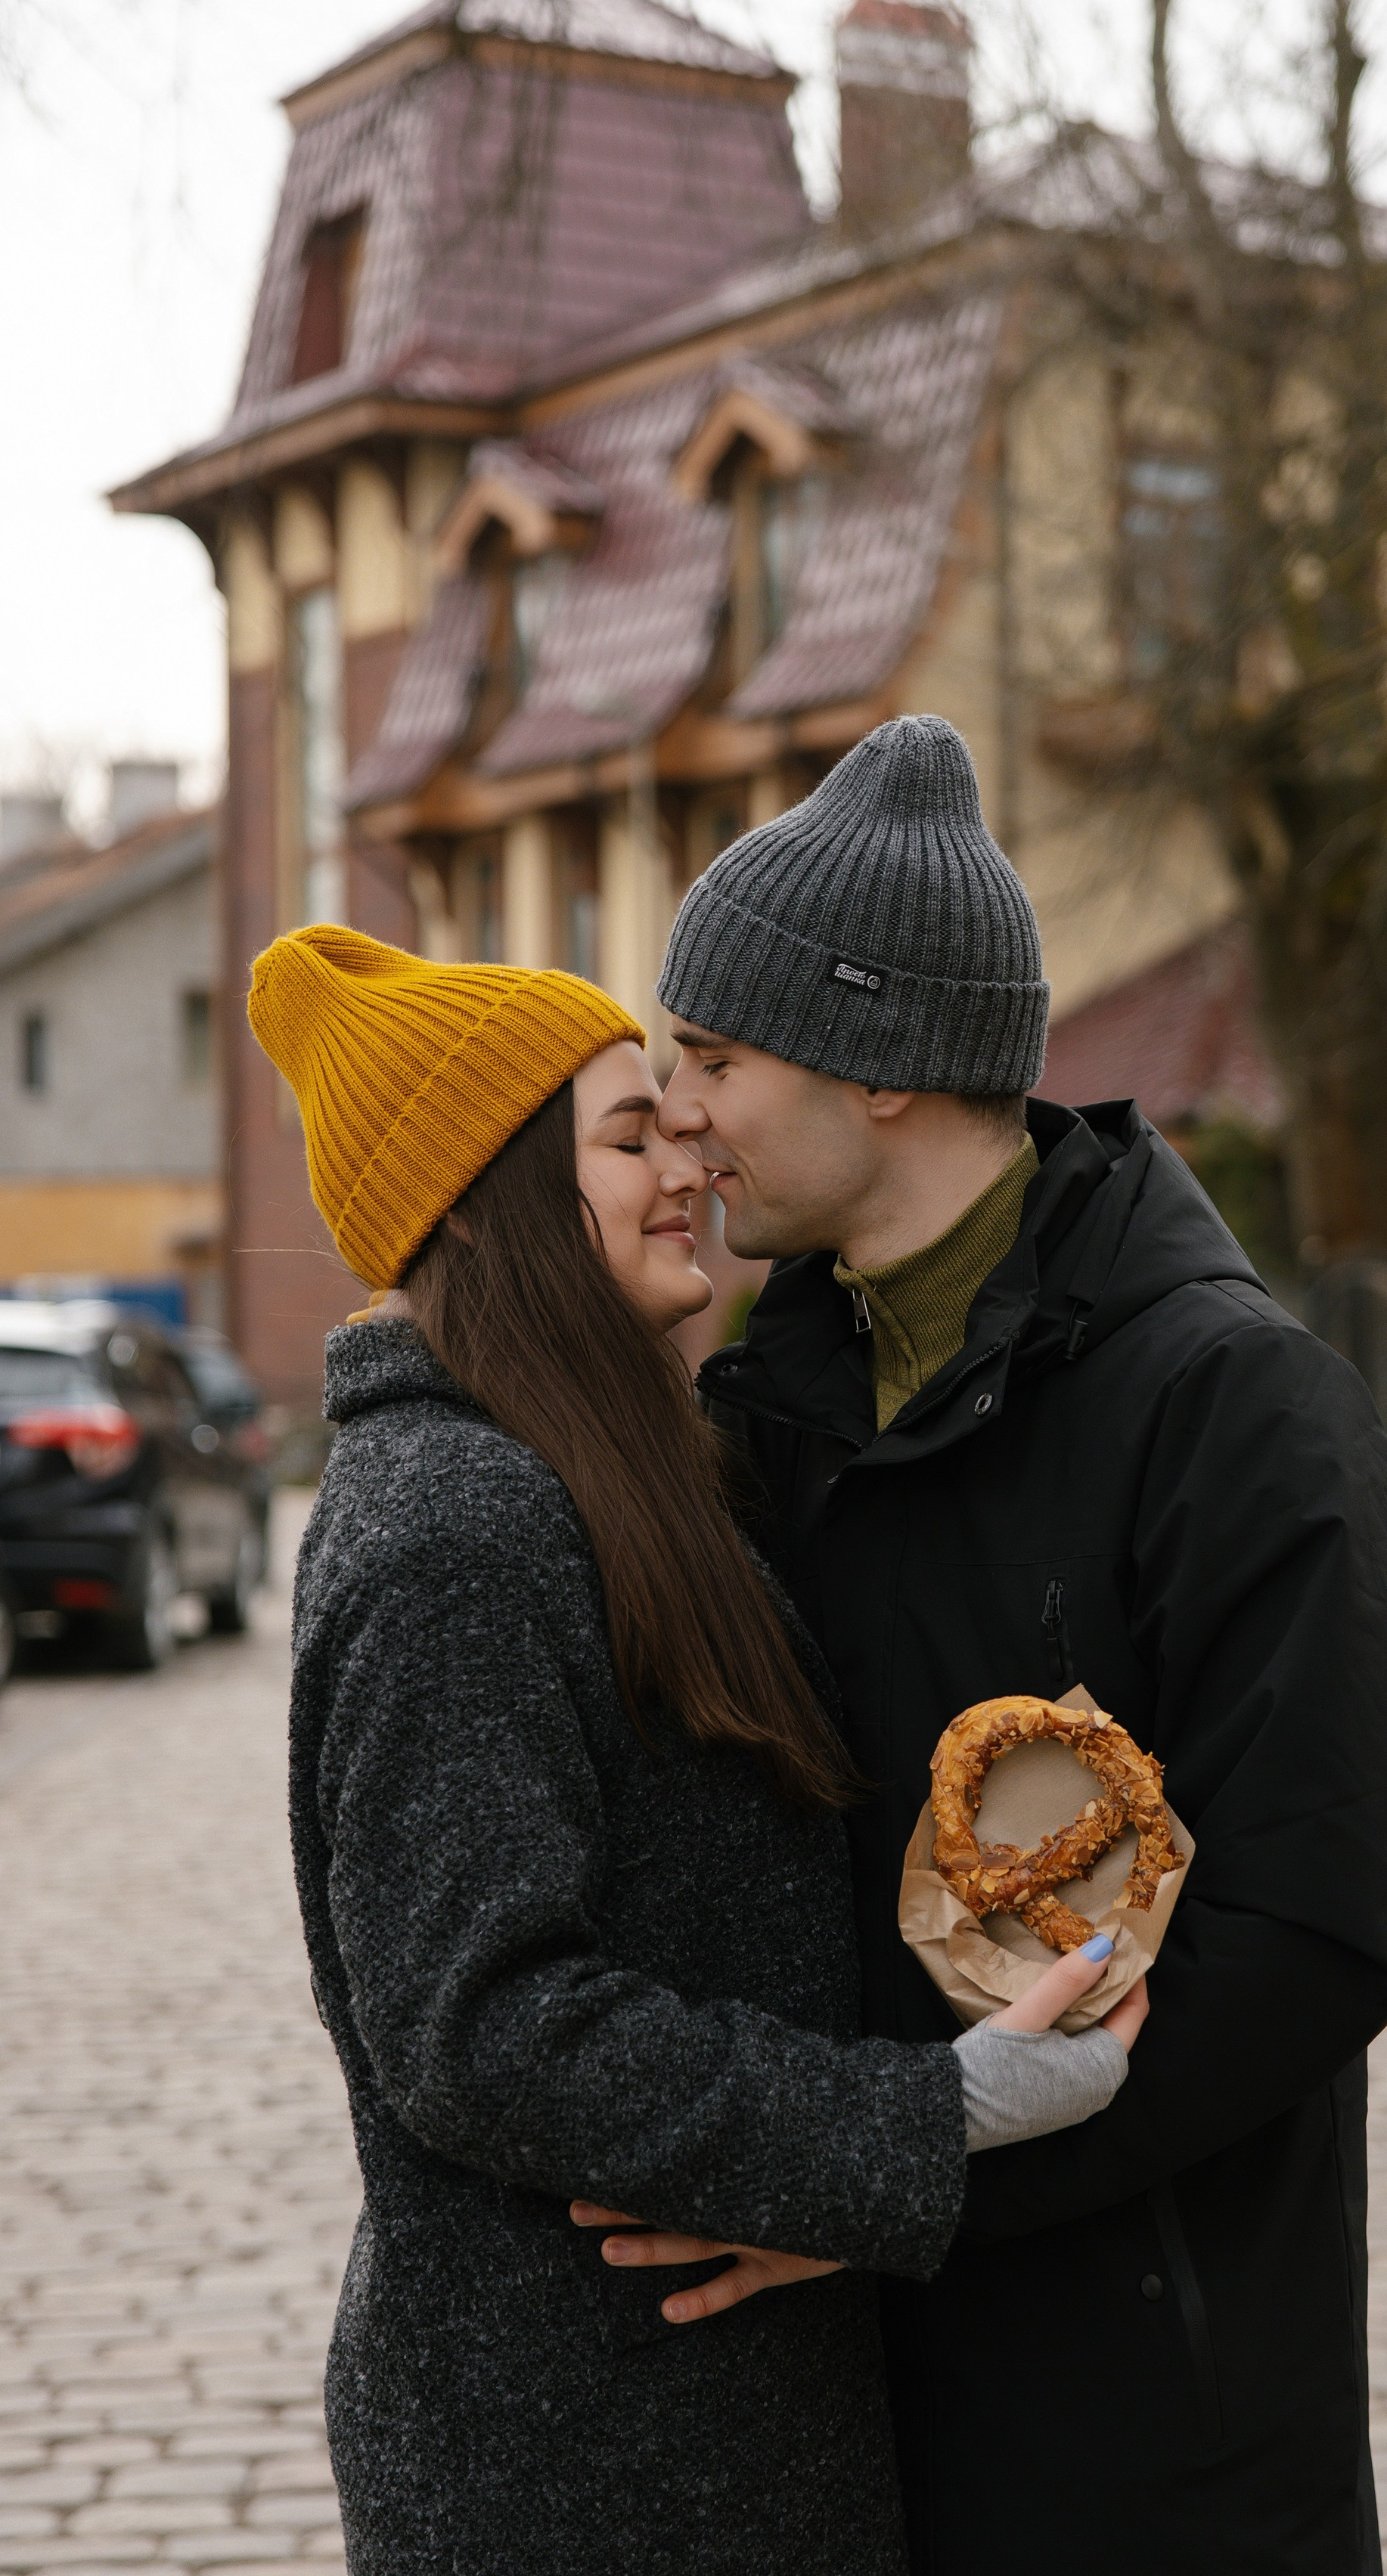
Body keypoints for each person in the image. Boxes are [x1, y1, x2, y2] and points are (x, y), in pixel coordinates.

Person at [246, 923, 1145, 2576]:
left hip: (681, 2418)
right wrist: (923, 2117)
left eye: (676, 1117)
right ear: (499, 1198)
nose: (689, 1164)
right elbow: (480, 2020)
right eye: (627, 1135)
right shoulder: (456, 1526)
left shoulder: (593, 1475)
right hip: (580, 2456)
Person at [646, 714, 1387, 2576]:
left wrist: (914, 2175)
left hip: (1157, 2433)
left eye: (716, 1056)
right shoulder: (763, 1400)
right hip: (829, 2410)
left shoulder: (1241, 1412)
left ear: (885, 1066)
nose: (683, 1112)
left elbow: (1313, 1939)